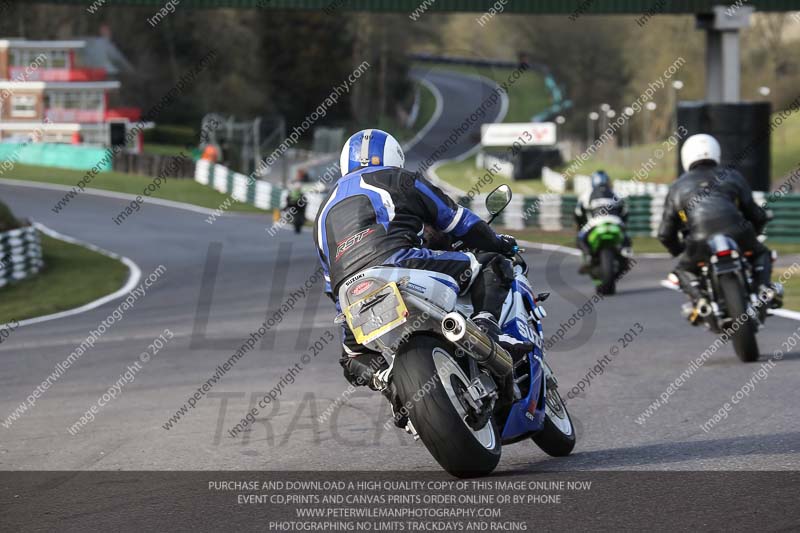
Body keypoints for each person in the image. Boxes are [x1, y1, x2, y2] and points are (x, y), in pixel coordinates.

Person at [313, 128, 531, 397]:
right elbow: (459, 221)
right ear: (395, 157)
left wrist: (347, 313)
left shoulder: (322, 212)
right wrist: (498, 243)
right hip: (399, 264)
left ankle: (391, 387)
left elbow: (329, 281)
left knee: (351, 358)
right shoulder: (401, 179)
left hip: (350, 291)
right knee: (489, 263)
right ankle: (488, 332)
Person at [657, 133, 782, 318]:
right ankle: (763, 289)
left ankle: (700, 301)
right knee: (762, 253)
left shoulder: (677, 187)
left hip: (699, 239)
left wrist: (678, 249)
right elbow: (755, 213)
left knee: (682, 270)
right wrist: (754, 233)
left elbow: (665, 233)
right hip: (737, 232)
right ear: (715, 153)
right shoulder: (732, 175)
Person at [574, 170, 631, 274]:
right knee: (625, 234)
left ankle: (587, 255)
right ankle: (626, 252)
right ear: (607, 181)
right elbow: (625, 210)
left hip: (595, 223)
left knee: (580, 238)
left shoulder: (587, 194)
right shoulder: (615, 193)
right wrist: (623, 222)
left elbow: (578, 212)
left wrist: (580, 225)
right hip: (615, 221)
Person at [285, 170, 309, 234]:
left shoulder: (301, 193)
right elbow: (287, 199)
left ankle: (302, 218)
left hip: (299, 206)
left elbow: (305, 200)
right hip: (294, 204)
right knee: (288, 207)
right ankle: (288, 215)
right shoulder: (292, 192)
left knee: (303, 210)